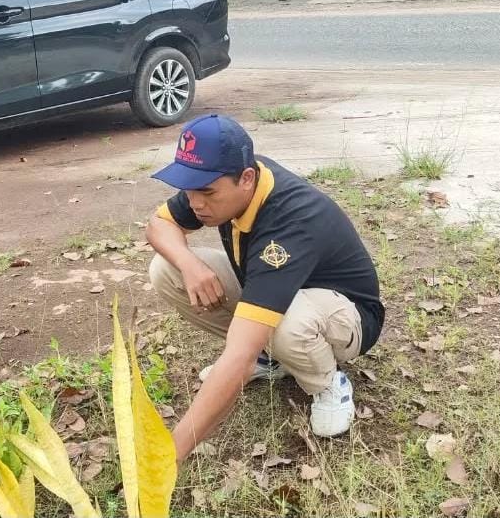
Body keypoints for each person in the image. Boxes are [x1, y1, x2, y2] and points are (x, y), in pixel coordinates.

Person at [145, 114, 385, 462]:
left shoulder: (290, 219)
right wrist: (189, 263)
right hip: (282, 292)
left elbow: (238, 354)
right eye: (189, 189)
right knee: (166, 268)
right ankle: (273, 358)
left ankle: (327, 382)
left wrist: (171, 453)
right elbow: (159, 225)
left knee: (285, 324)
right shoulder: (224, 180)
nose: (195, 204)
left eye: (207, 192)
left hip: (347, 317)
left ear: (246, 179)